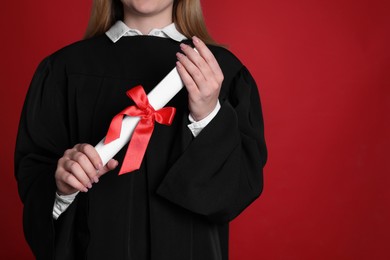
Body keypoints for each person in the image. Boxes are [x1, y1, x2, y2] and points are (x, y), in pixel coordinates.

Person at [14, 0, 267, 259]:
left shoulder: (220, 72)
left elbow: (236, 189)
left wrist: (208, 114)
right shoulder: (63, 70)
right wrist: (62, 188)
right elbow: (35, 184)